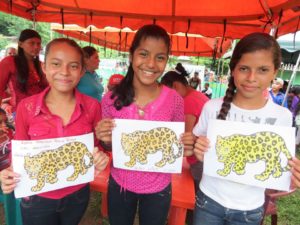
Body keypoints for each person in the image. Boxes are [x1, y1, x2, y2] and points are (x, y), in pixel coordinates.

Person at [192, 32, 300, 225]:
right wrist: (197, 148)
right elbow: (193, 144)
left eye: (263, 70)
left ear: (275, 72)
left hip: (250, 209)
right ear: (233, 70)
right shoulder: (212, 107)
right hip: (208, 201)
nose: (251, 77)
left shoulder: (282, 117)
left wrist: (291, 175)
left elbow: (278, 170)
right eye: (244, 68)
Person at [0, 38, 109, 225]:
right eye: (56, 64)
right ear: (44, 67)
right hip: (37, 197)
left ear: (82, 71)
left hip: (77, 193)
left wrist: (100, 156)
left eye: (73, 66)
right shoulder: (27, 108)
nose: (64, 72)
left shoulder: (92, 107)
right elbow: (19, 153)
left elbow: (96, 147)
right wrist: (8, 173)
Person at [95, 24, 193, 225]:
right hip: (120, 184)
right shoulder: (111, 99)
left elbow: (176, 145)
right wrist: (105, 140)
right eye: (144, 54)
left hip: (159, 188)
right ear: (131, 56)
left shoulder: (175, 100)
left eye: (160, 57)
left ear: (166, 60)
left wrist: (187, 145)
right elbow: (110, 147)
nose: (151, 63)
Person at [161, 62, 209, 225]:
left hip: (199, 157)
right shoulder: (197, 95)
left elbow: (187, 136)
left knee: (194, 196)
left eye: (167, 92)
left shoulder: (188, 101)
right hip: (201, 155)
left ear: (175, 86)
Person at [0, 29, 48, 113]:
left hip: (42, 111)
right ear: (20, 44)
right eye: (31, 43)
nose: (36, 47)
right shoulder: (9, 62)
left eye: (38, 43)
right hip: (21, 112)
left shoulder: (41, 65)